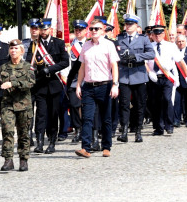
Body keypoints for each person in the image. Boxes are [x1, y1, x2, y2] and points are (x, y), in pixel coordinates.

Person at [74, 19, 119, 157]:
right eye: (92, 28)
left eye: (97, 29)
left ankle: (106, 147)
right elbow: (82, 67)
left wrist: (115, 84)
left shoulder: (109, 45)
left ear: (103, 30)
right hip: (88, 86)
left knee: (106, 118)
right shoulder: (86, 46)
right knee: (87, 118)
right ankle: (85, 148)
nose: (93, 31)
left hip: (105, 85)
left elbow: (114, 66)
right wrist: (78, 85)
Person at [25, 18, 69, 154]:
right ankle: (39, 142)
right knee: (41, 114)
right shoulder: (34, 45)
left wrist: (50, 69)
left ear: (50, 29)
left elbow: (65, 62)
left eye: (45, 29)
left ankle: (51, 142)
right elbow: (28, 62)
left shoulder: (58, 43)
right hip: (40, 84)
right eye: (41, 29)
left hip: (54, 84)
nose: (43, 32)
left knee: (53, 114)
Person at [114, 14, 155, 143]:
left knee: (139, 104)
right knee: (124, 104)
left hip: (138, 74)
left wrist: (136, 57)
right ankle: (124, 131)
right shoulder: (119, 39)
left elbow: (151, 54)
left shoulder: (143, 39)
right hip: (124, 75)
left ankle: (138, 131)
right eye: (126, 24)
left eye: (130, 24)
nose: (128, 26)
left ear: (136, 26)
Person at [0, 40, 35, 171]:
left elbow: (30, 83)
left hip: (23, 105)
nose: (13, 51)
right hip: (7, 104)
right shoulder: (3, 68)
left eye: (16, 48)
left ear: (21, 51)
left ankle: (24, 159)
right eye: (11, 48)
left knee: (23, 133)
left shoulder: (27, 66)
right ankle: (8, 160)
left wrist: (12, 83)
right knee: (7, 132)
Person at [145, 23, 187, 136]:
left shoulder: (171, 46)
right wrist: (149, 73)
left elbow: (179, 61)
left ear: (164, 34)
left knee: (167, 100)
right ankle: (158, 127)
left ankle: (169, 125)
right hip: (154, 78)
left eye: (160, 33)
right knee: (155, 103)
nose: (157, 36)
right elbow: (144, 62)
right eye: (155, 34)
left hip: (167, 77)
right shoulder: (148, 46)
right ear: (152, 35)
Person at [64, 20, 88, 143]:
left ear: (85, 31)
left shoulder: (89, 44)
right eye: (76, 30)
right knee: (74, 105)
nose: (78, 32)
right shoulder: (70, 47)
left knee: (86, 106)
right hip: (73, 80)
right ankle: (77, 128)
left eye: (80, 30)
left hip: (88, 79)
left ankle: (87, 129)